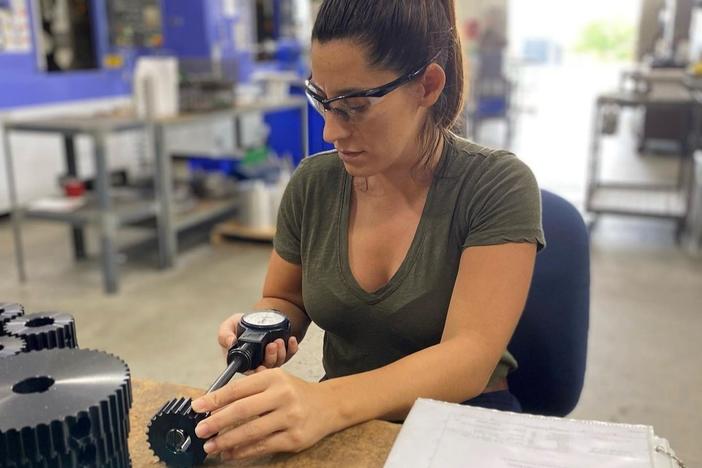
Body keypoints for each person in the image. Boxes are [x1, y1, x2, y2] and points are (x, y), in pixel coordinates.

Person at [190, 0, 545, 460]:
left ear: (427, 85)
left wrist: (327, 402)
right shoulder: (313, 184)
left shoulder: (496, 185)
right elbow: (287, 298)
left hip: (464, 417)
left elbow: (469, 358)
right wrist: (263, 329)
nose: (329, 133)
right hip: (346, 416)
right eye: (322, 100)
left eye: (355, 106)